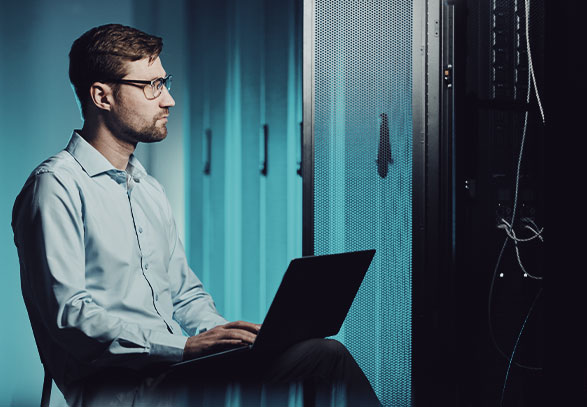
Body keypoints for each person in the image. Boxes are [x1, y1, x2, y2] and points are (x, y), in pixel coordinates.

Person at [11, 23, 380, 406]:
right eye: (151, 86)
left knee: (316, 352)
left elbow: (185, 295)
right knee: (323, 359)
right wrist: (184, 347)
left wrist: (226, 336)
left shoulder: (146, 187)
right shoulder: (55, 186)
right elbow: (70, 317)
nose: (168, 99)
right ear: (102, 96)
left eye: (165, 83)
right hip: (119, 388)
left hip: (173, 372)